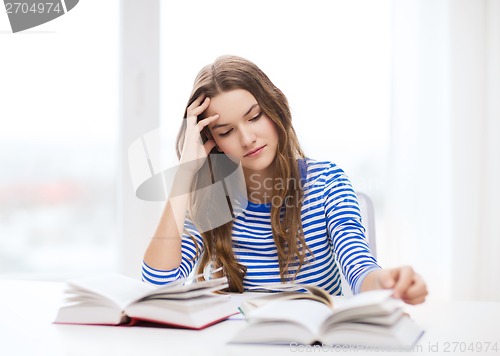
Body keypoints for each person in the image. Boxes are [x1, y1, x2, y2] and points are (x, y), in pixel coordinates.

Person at [142, 55, 428, 305]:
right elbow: (157, 287)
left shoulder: (327, 182)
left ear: (274, 108)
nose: (247, 138)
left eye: (254, 117)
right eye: (226, 131)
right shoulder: (211, 199)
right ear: (212, 142)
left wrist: (388, 283)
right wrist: (184, 175)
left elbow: (358, 266)